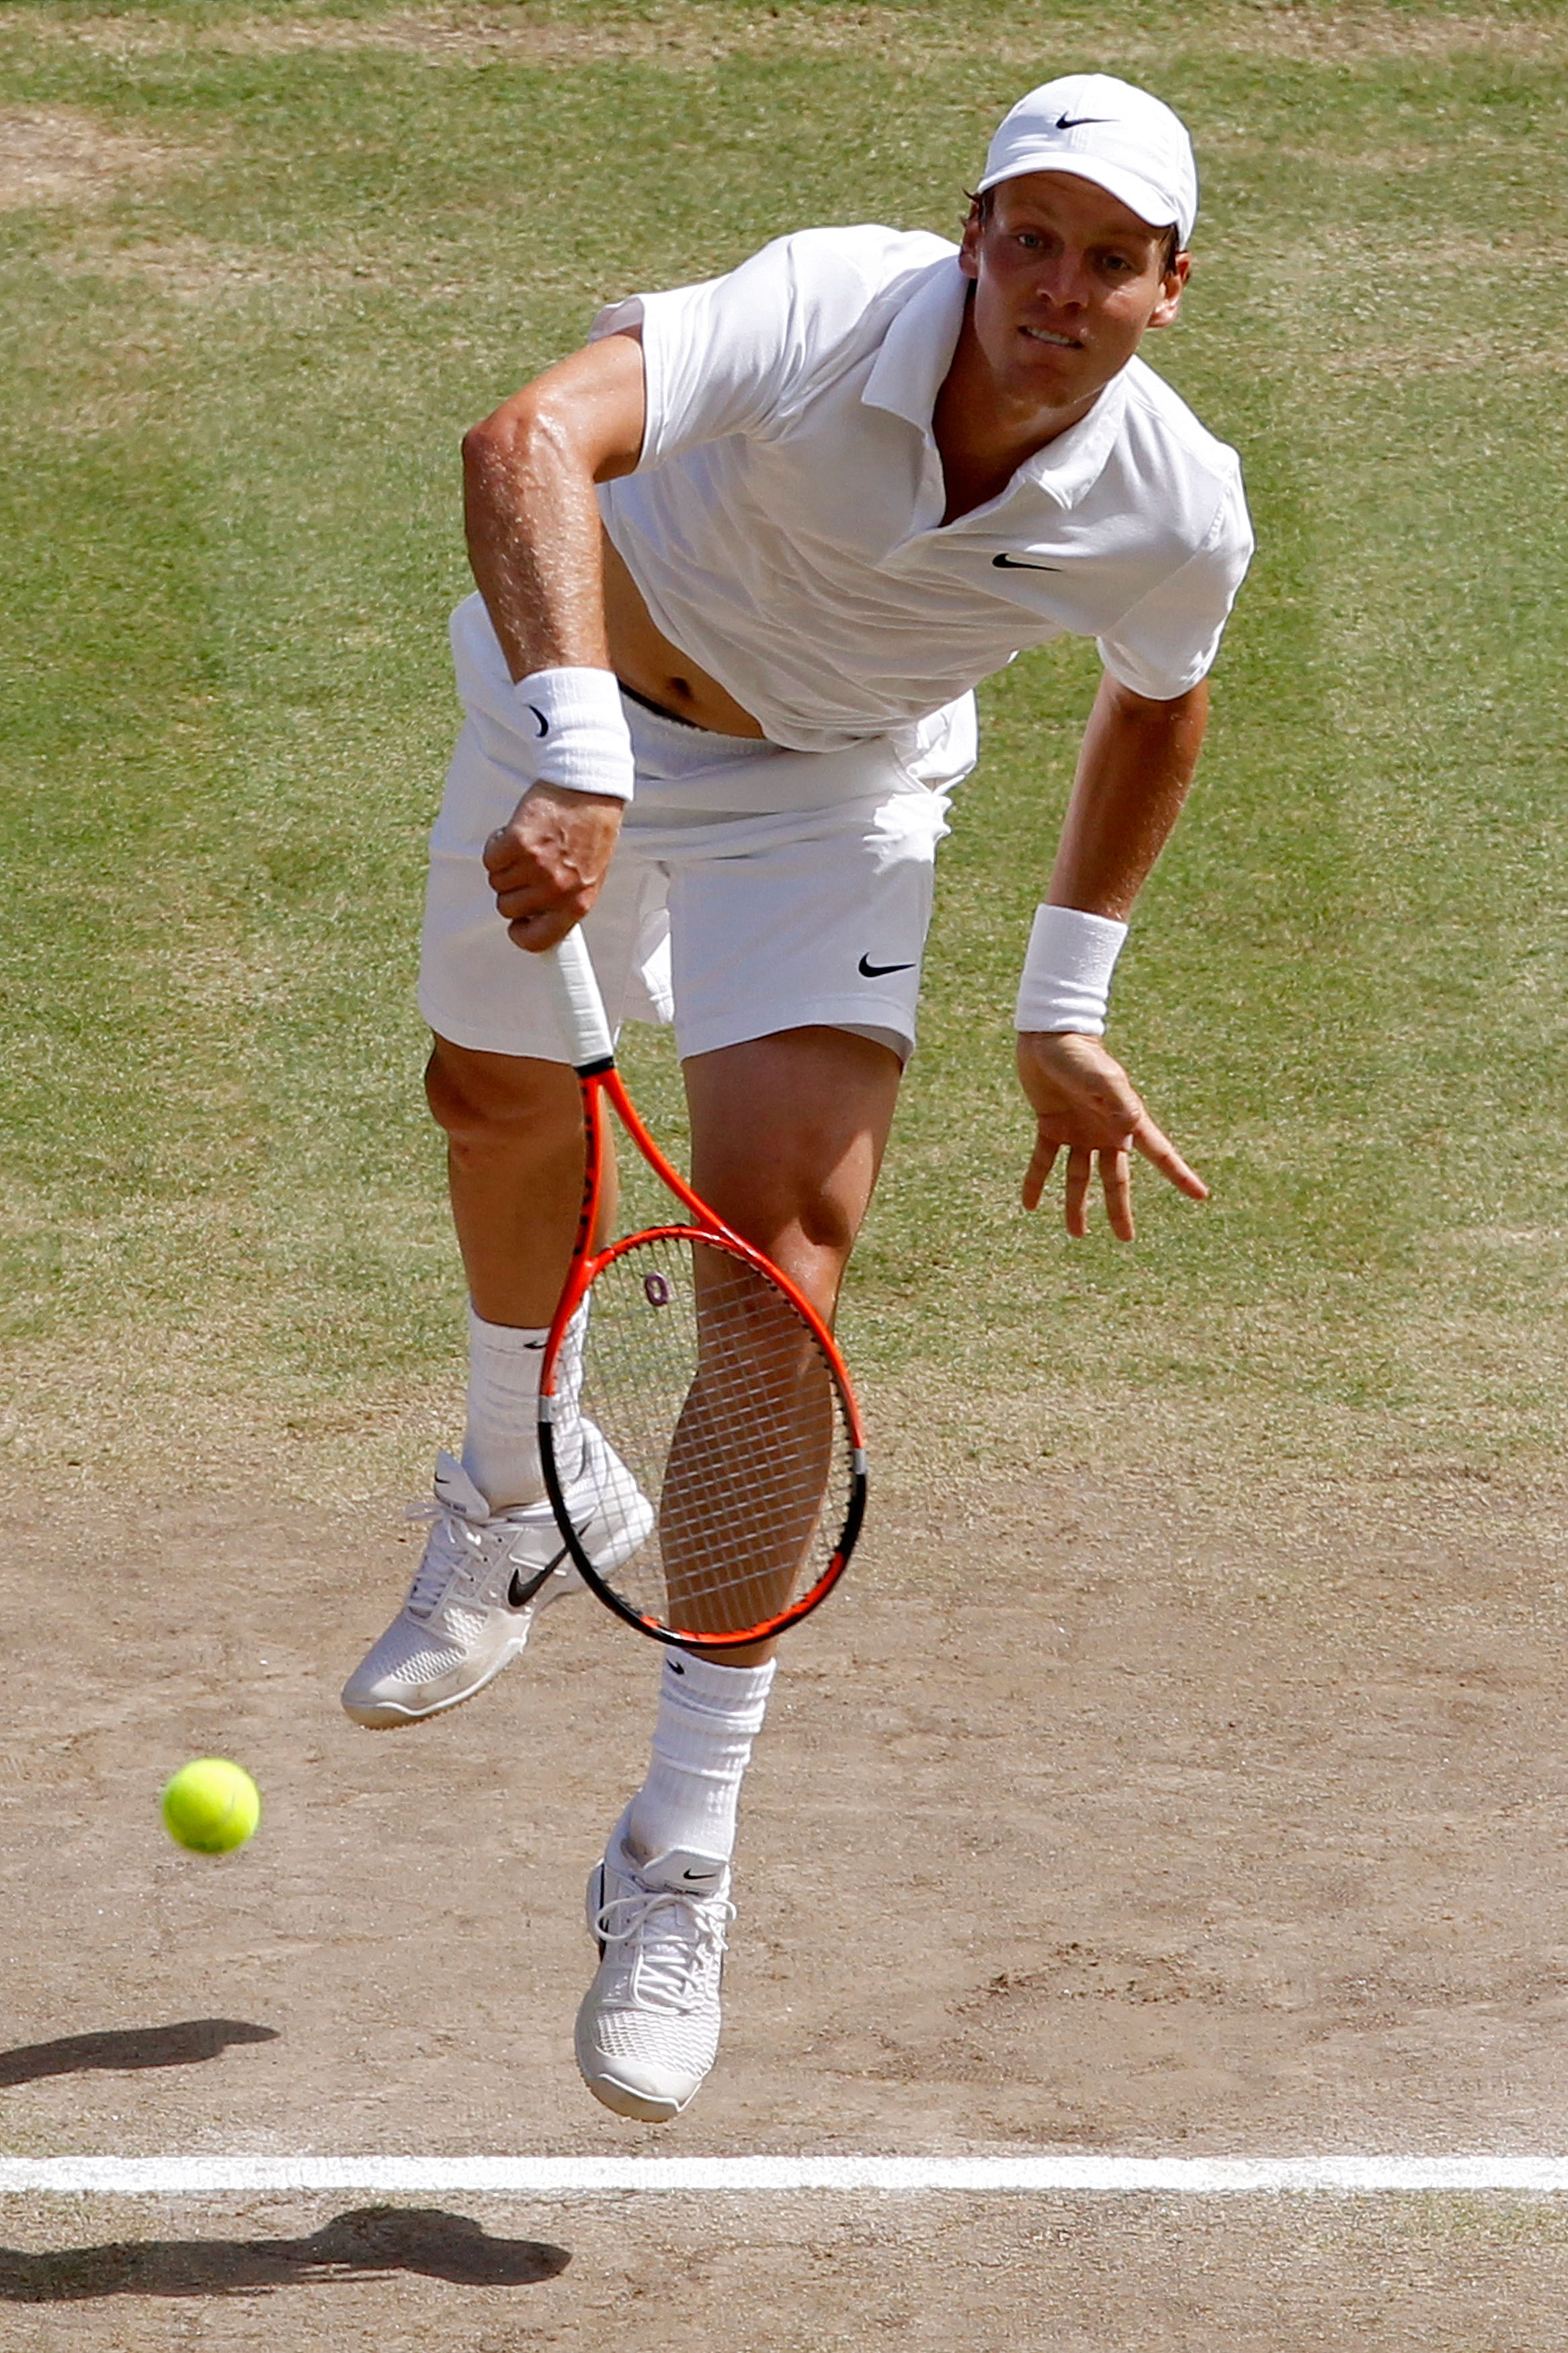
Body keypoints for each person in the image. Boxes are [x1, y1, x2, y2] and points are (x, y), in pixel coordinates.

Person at [340, 74, 1253, 2122]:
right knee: (495, 1104)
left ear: (1168, 293)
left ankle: (677, 1849)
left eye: (1113, 258)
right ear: (974, 236)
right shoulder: (833, 302)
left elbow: (1161, 698)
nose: (1062, 285)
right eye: (1034, 238)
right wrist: (576, 750)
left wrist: (1067, 999)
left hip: (833, 796)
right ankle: (511, 1485)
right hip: (568, 695)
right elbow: (529, 441)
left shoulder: (1178, 502)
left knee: (781, 1278)